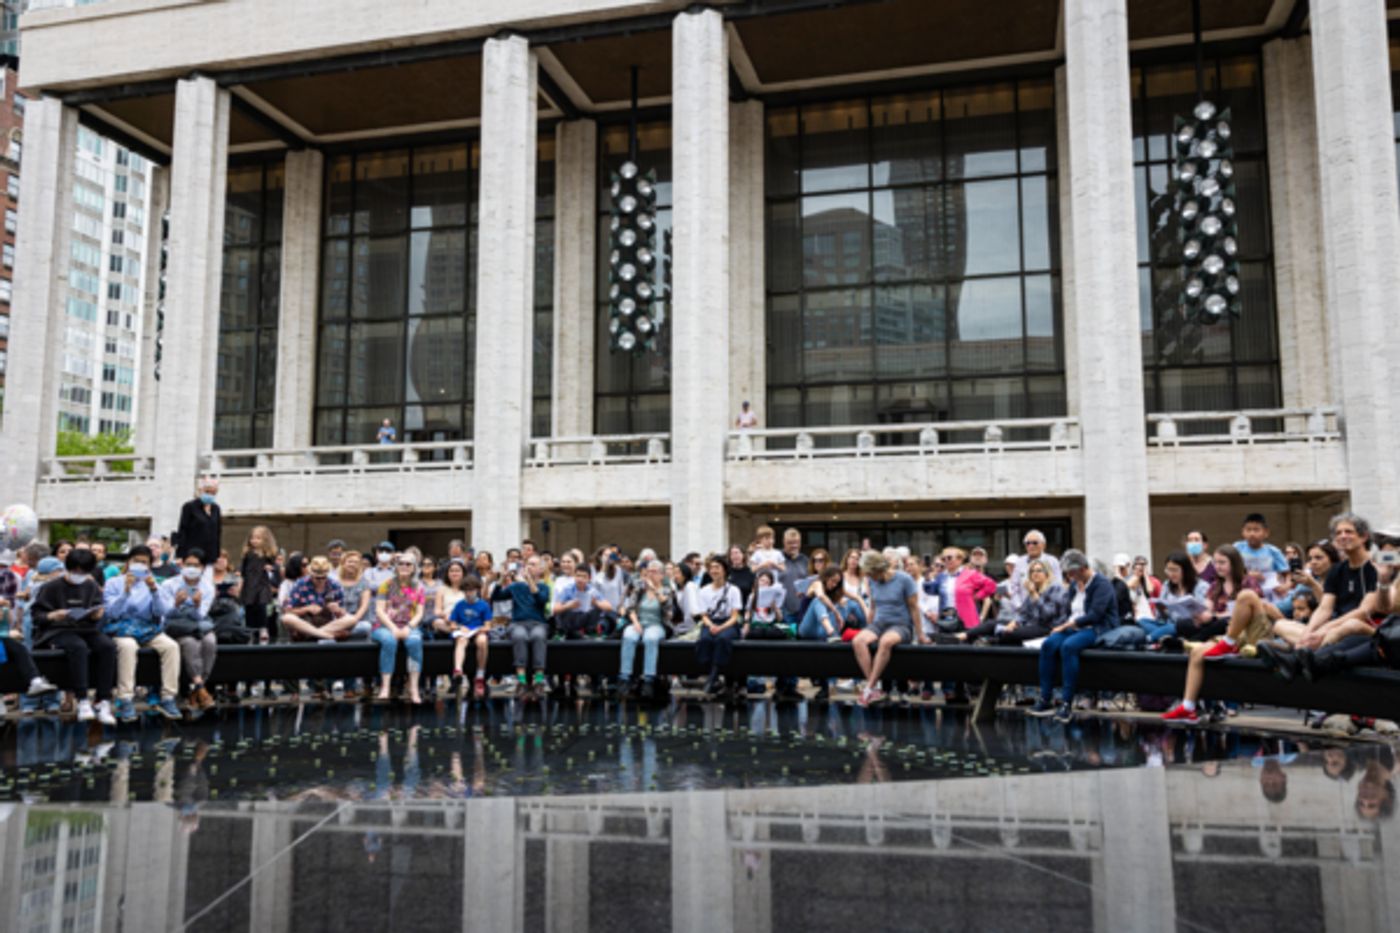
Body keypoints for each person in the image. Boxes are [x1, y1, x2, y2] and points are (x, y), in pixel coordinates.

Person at [1161, 545, 1281, 723]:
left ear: (1234, 563)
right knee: (1197, 653)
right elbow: (1209, 612)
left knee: (1244, 598)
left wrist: (1220, 616)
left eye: (1222, 562)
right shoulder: (1215, 586)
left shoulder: (1248, 582)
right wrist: (1200, 614)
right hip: (1226, 631)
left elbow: (1261, 609)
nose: (1218, 566)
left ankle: (1217, 642)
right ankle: (1188, 707)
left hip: (1252, 630)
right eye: (1215, 562)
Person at [1029, 549, 1116, 723]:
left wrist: (1067, 625)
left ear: (1083, 568)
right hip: (1074, 626)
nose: (1069, 577)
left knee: (1068, 647)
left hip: (1097, 627)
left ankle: (1066, 703)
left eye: (1072, 573)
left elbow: (1096, 615)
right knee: (1048, 645)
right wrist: (1061, 626)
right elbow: (1069, 611)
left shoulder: (1102, 584)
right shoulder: (1075, 585)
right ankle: (1046, 698)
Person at [31, 549, 116, 724]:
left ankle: (103, 699)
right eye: (75, 571)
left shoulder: (91, 586)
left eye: (83, 572)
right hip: (57, 630)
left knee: (108, 646)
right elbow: (37, 616)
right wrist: (54, 615)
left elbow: (96, 608)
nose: (79, 575)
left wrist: (95, 615)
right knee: (78, 647)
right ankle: (82, 698)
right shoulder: (51, 587)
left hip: (85, 628)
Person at [103, 544, 183, 721]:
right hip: (121, 628)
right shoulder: (113, 582)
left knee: (171, 646)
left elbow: (162, 611)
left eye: (144, 562)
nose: (140, 565)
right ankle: (125, 698)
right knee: (128, 646)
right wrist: (125, 591)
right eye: (136, 561)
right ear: (129, 562)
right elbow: (111, 613)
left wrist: (154, 590)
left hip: (147, 628)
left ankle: (168, 697)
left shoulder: (154, 583)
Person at [1291, 513, 1378, 650]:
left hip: (1363, 627)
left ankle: (1300, 652)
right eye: (1338, 533)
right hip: (1337, 625)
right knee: (1281, 625)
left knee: (1345, 626)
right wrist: (1308, 632)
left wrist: (1325, 628)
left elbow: (1363, 612)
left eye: (1348, 532)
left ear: (1364, 537)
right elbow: (1325, 608)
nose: (1342, 536)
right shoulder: (1337, 570)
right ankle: (1303, 647)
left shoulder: (1376, 567)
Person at [851, 550, 926, 707]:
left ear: (879, 569)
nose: (869, 577)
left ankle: (868, 688)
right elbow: (872, 607)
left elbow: (914, 608)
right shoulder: (872, 581)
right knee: (858, 640)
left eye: (871, 573)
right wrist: (868, 627)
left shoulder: (904, 579)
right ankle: (874, 688)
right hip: (879, 623)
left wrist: (920, 635)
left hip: (900, 625)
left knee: (885, 642)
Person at [157, 549, 219, 713]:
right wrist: (176, 604)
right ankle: (200, 688)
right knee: (190, 644)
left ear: (203, 568)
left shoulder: (207, 587)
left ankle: (197, 688)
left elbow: (200, 616)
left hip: (197, 624)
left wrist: (197, 606)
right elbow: (165, 614)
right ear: (182, 564)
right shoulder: (169, 584)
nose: (191, 568)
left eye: (196, 565)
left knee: (210, 642)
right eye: (188, 564)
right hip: (177, 626)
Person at [619, 559, 679, 699]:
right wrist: (635, 622)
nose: (650, 574)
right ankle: (624, 678)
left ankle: (649, 680)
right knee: (628, 636)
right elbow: (631, 607)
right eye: (649, 571)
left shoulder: (667, 590)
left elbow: (668, 612)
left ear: (662, 575)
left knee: (650, 638)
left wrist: (653, 589)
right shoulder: (639, 588)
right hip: (638, 622)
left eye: (654, 572)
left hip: (657, 624)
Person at [372, 553, 425, 703]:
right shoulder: (386, 585)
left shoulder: (419, 587)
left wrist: (408, 627)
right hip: (384, 626)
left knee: (414, 642)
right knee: (389, 641)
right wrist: (393, 627)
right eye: (401, 563)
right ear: (396, 566)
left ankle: (413, 687)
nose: (404, 566)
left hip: (409, 625)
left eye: (408, 564)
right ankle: (385, 686)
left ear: (414, 567)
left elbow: (420, 613)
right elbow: (379, 611)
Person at [501, 555, 551, 696]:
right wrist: (500, 579)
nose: (530, 566)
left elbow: (541, 600)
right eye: (528, 564)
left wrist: (529, 581)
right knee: (519, 636)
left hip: (538, 623)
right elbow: (496, 596)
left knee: (538, 635)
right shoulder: (516, 586)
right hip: (518, 623)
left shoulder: (544, 587)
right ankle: (521, 681)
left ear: (540, 569)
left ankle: (539, 681)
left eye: (534, 564)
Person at [694, 556, 744, 698]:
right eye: (712, 568)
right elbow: (703, 615)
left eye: (717, 568)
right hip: (711, 621)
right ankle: (710, 675)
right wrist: (711, 626)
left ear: (724, 570)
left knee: (722, 639)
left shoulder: (733, 590)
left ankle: (713, 677)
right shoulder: (704, 590)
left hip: (728, 622)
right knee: (705, 640)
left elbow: (735, 616)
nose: (714, 571)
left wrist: (721, 627)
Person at [1137, 552, 1210, 642]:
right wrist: (1161, 609)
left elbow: (1203, 613)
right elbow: (1161, 617)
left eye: (1175, 570)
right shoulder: (1167, 585)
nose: (1171, 574)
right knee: (1142, 621)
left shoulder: (1201, 586)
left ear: (1185, 570)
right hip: (1169, 624)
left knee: (1176, 626)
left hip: (1188, 626)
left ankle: (1150, 638)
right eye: (1168, 570)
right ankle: (1166, 638)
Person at [280, 556, 357, 641]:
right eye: (317, 578)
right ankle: (327, 636)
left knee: (352, 619)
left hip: (328, 624)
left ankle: (314, 634)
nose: (320, 580)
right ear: (311, 574)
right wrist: (306, 609)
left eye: (323, 577)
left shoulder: (335, 585)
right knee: (287, 618)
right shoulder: (300, 584)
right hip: (306, 622)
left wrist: (337, 610)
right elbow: (288, 610)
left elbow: (342, 613)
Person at [448, 574, 493, 698]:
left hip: (478, 631)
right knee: (461, 640)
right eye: (466, 590)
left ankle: (480, 675)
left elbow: (488, 626)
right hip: (463, 631)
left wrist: (478, 629)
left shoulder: (484, 605)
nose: (469, 593)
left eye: (472, 590)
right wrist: (459, 627)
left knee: (482, 641)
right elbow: (452, 624)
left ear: (477, 590)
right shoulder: (459, 605)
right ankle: (458, 670)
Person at [1235, 512, 1292, 603]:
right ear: (1243, 532)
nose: (1252, 533)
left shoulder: (1273, 551)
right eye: (1248, 530)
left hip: (1269, 592)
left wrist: (1286, 585)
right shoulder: (1237, 548)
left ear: (1266, 533)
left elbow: (1287, 573)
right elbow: (1230, 570)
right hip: (1243, 590)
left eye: (1256, 530)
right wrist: (1248, 575)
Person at [240, 526, 280, 643]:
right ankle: (250, 629)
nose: (254, 541)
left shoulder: (268, 554)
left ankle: (263, 628)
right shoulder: (248, 554)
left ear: (265, 540)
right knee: (249, 607)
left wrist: (270, 568)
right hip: (250, 583)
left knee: (261, 606)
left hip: (262, 583)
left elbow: (275, 568)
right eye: (252, 538)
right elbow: (244, 569)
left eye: (258, 538)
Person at [1007, 531, 1063, 611]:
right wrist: (1019, 606)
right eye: (1028, 543)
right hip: (1023, 610)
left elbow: (1058, 586)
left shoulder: (1053, 561)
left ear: (1044, 545)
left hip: (1047, 610)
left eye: (1035, 543)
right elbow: (1014, 587)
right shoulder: (1019, 562)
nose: (1031, 546)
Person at [175, 476, 222, 562]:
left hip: (210, 555)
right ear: (200, 490)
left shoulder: (216, 508)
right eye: (207, 492)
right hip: (192, 553)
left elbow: (217, 533)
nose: (210, 495)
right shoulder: (189, 507)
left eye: (213, 493)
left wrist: (217, 555)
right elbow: (182, 531)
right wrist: (180, 555)